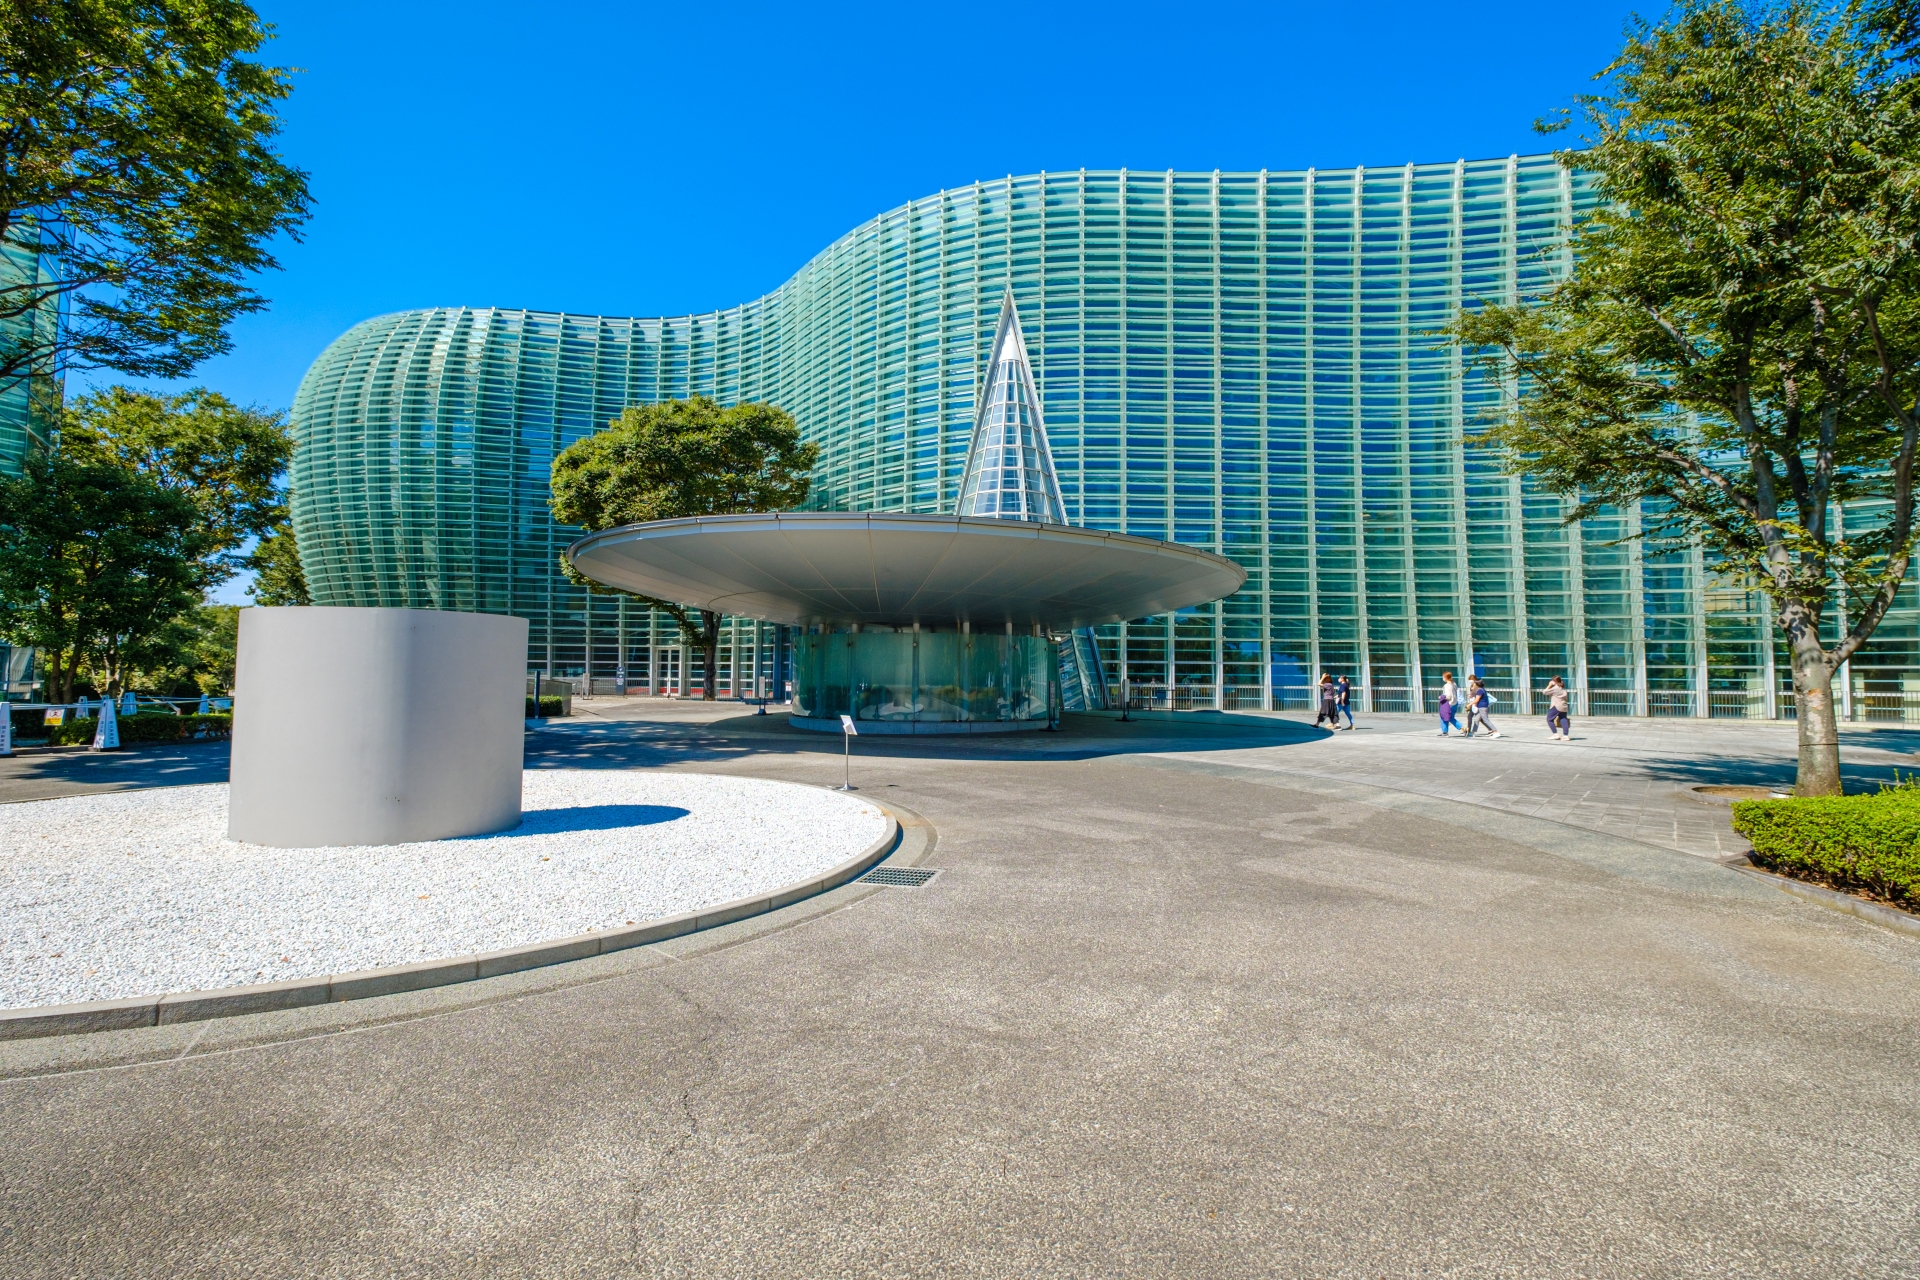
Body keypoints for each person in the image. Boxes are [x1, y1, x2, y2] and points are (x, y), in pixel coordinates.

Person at [1544, 674, 1571, 741]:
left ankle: (1555, 734)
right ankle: (1565, 736)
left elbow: (1545, 692)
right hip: (1563, 706)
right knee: (1563, 719)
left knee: (1549, 719)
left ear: (1554, 681)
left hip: (1556, 706)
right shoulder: (1562, 689)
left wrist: (1549, 685)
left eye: (1552, 680)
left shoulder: (1555, 688)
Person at [1438, 671, 1461, 736]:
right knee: (1451, 717)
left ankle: (1445, 732)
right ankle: (1462, 728)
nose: (1443, 678)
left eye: (1443, 677)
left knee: (1444, 717)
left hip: (1449, 703)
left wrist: (1441, 697)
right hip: (1455, 702)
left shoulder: (1447, 685)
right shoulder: (1454, 684)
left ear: (1446, 677)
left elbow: (1448, 696)